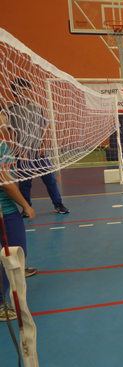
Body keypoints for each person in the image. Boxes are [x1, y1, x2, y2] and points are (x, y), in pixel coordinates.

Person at [7, 78, 69, 217]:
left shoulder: (37, 107)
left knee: (50, 180)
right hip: (23, 154)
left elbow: (44, 128)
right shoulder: (10, 110)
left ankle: (58, 204)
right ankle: (26, 207)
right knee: (25, 184)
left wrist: (44, 145)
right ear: (16, 91)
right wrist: (20, 151)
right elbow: (11, 133)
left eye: (28, 89)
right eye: (24, 90)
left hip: (40, 152)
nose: (27, 92)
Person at [0, 105, 37, 322]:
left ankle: (18, 271)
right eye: (3, 113)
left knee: (11, 253)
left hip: (5, 209)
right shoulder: (0, 147)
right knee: (15, 251)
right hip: (5, 210)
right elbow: (5, 183)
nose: (6, 116)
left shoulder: (5, 144)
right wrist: (27, 205)